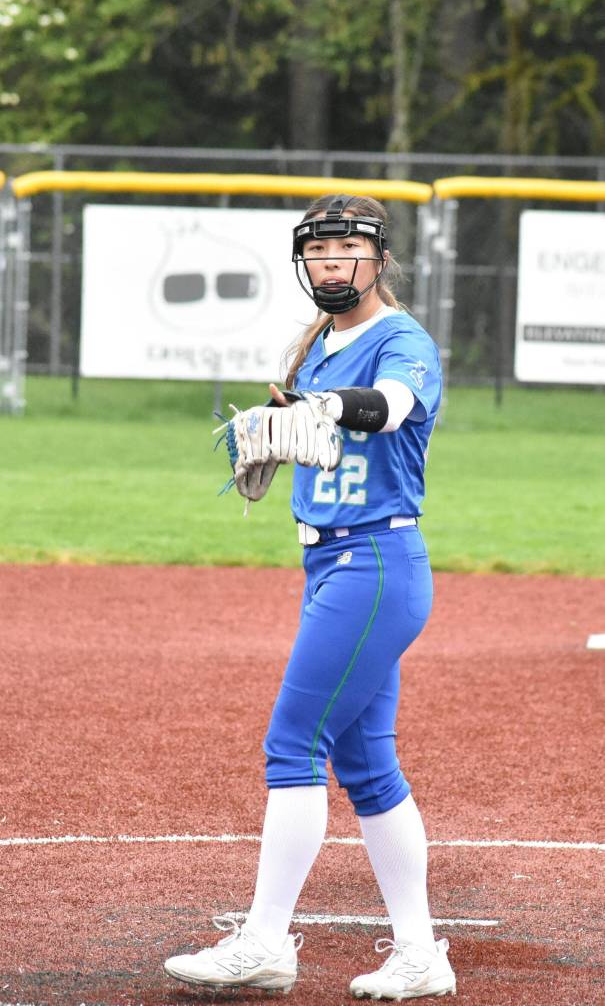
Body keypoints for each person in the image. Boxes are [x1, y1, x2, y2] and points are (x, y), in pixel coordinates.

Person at [164, 194, 456, 1001]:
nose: (331, 263)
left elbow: (392, 406)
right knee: (366, 765)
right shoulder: (318, 346)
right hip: (332, 563)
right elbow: (320, 435)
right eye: (318, 251)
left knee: (292, 745)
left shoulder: (399, 339)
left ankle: (263, 939)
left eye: (346, 249)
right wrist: (279, 426)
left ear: (378, 258)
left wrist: (326, 406)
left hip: (374, 562)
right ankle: (419, 953)